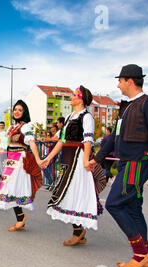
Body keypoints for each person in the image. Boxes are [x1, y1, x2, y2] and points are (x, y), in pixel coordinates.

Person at [90, 64, 148, 267]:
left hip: (137, 162)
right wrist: (98, 158)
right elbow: (114, 137)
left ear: (130, 81)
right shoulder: (126, 106)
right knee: (132, 207)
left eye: (119, 81)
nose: (118, 85)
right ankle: (146, 257)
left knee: (114, 203)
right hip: (126, 162)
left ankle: (140, 253)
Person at [41, 86, 105, 245]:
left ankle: (78, 231)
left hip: (77, 158)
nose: (72, 96)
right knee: (68, 193)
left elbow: (88, 139)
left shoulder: (86, 117)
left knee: (72, 192)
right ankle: (79, 231)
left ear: (81, 99)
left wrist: (85, 161)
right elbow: (62, 140)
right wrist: (49, 157)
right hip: (67, 158)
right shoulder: (70, 116)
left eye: (75, 94)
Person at [0, 100, 43, 231]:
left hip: (19, 160)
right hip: (10, 160)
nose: (16, 112)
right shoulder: (11, 127)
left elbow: (32, 143)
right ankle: (20, 218)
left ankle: (20, 218)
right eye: (15, 110)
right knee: (10, 190)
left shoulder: (25, 127)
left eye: (20, 110)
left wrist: (38, 159)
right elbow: (3, 145)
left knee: (11, 188)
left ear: (24, 113)